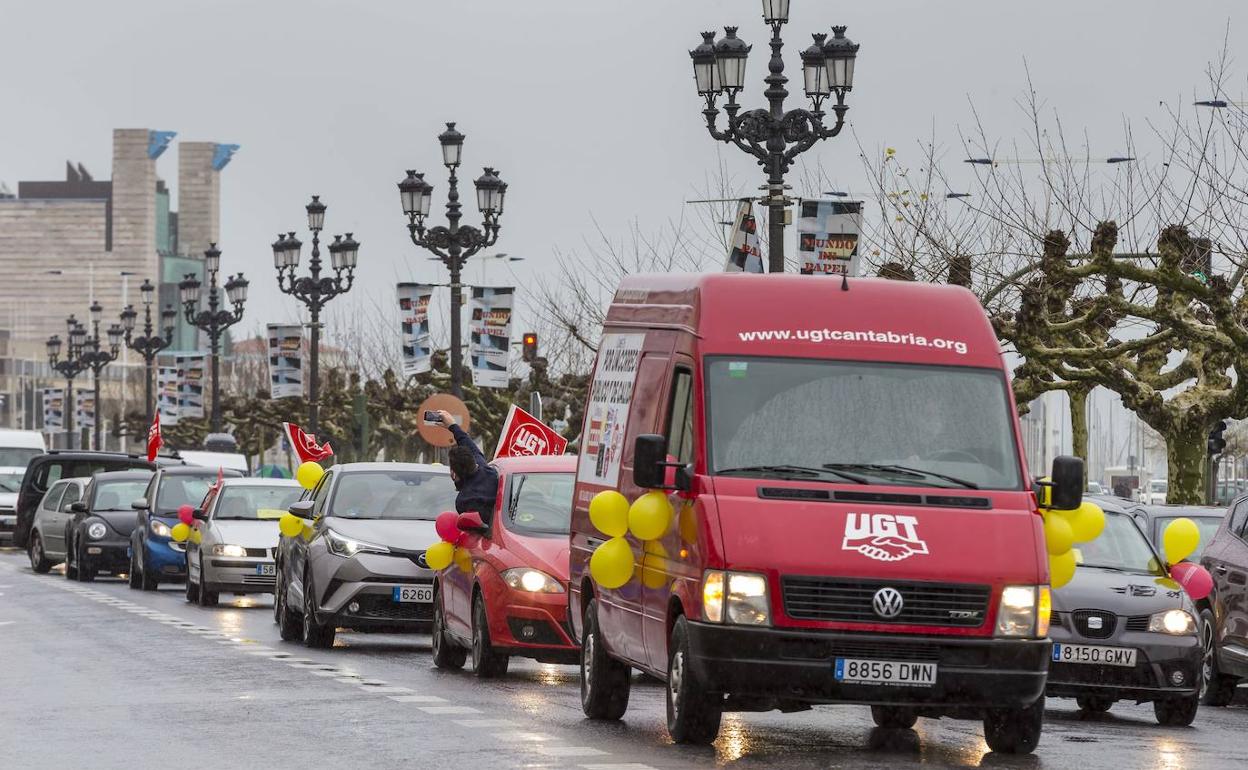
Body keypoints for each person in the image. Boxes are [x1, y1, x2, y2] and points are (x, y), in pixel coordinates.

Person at [437, 409, 499, 524]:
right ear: (474, 461)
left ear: (454, 474)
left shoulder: (464, 501)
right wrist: (452, 425)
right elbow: (466, 441)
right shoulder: (488, 471)